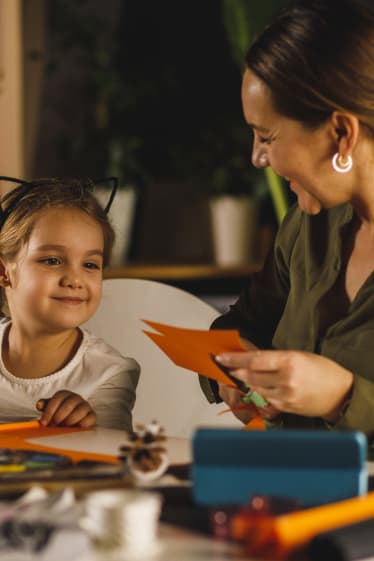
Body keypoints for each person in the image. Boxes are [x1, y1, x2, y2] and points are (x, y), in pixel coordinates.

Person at [200, 0, 374, 448]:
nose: (257, 158)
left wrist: (343, 397)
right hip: (280, 493)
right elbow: (243, 324)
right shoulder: (306, 226)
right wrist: (234, 370)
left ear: (341, 134)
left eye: (267, 137)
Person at [0, 177, 139, 430]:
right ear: (4, 272)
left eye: (90, 265)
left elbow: (111, 454)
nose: (75, 279)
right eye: (52, 260)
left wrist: (85, 425)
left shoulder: (110, 372)